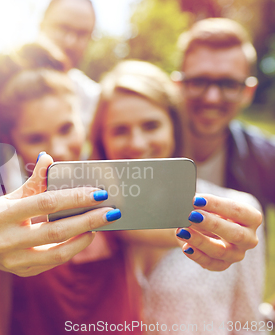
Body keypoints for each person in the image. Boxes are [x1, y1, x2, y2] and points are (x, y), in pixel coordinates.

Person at [0, 55, 262, 333]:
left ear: (84, 128)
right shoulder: (13, 202)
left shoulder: (109, 194)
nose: (58, 149)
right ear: (12, 140)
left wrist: (225, 231)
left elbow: (164, 225)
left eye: (65, 129)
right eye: (36, 137)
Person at [90, 60, 265, 333]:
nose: (136, 143)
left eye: (150, 125)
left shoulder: (232, 212)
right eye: (120, 130)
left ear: (173, 126)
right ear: (102, 140)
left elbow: (248, 325)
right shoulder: (90, 217)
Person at [0, 0, 100, 130]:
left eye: (82, 34)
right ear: (41, 25)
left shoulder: (93, 100)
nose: (70, 42)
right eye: (63, 28)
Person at [176, 18, 275, 211]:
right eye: (198, 82)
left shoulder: (267, 157)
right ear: (179, 86)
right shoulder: (144, 150)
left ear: (248, 92)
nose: (212, 98)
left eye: (229, 84)